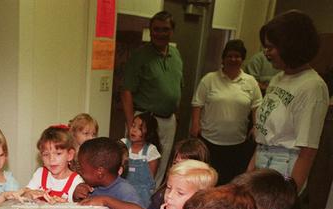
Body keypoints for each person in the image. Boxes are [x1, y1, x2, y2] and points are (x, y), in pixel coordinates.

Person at [250, 10, 329, 192]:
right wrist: (247, 177)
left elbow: (307, 152)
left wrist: (290, 195)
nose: (266, 53)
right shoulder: (277, 78)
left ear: (290, 47)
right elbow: (264, 137)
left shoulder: (312, 87)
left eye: (271, 48)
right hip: (262, 160)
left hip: (284, 170)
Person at [121, 10, 183, 185]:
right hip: (145, 120)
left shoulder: (176, 55)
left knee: (161, 162)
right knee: (136, 163)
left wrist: (176, 115)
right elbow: (126, 91)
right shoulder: (140, 56)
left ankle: (152, 196)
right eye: (156, 29)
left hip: (168, 121)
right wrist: (132, 124)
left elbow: (178, 88)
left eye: (165, 29)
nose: (160, 34)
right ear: (150, 31)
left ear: (172, 31)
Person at [191, 39, 263, 185]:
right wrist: (195, 125)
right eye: (229, 56)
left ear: (242, 59)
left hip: (237, 143)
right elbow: (197, 104)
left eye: (237, 56)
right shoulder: (209, 79)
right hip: (209, 140)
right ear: (223, 58)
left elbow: (257, 106)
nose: (233, 59)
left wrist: (256, 126)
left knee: (229, 181)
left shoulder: (250, 82)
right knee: (207, 179)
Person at [74, 137, 145, 209]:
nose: (80, 172)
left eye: (82, 169)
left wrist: (105, 201)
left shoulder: (124, 189)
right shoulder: (91, 187)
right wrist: (77, 196)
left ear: (99, 172)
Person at [23, 125, 83, 202]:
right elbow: (24, 195)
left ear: (70, 155)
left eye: (58, 153)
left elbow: (79, 206)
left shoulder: (77, 181)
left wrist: (64, 204)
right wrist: (30, 194)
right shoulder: (40, 174)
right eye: (46, 154)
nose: (51, 159)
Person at [121, 112, 162, 206]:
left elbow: (150, 178)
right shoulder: (123, 144)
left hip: (142, 196)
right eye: (133, 126)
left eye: (139, 128)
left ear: (148, 132)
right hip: (123, 191)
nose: (134, 130)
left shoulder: (151, 150)